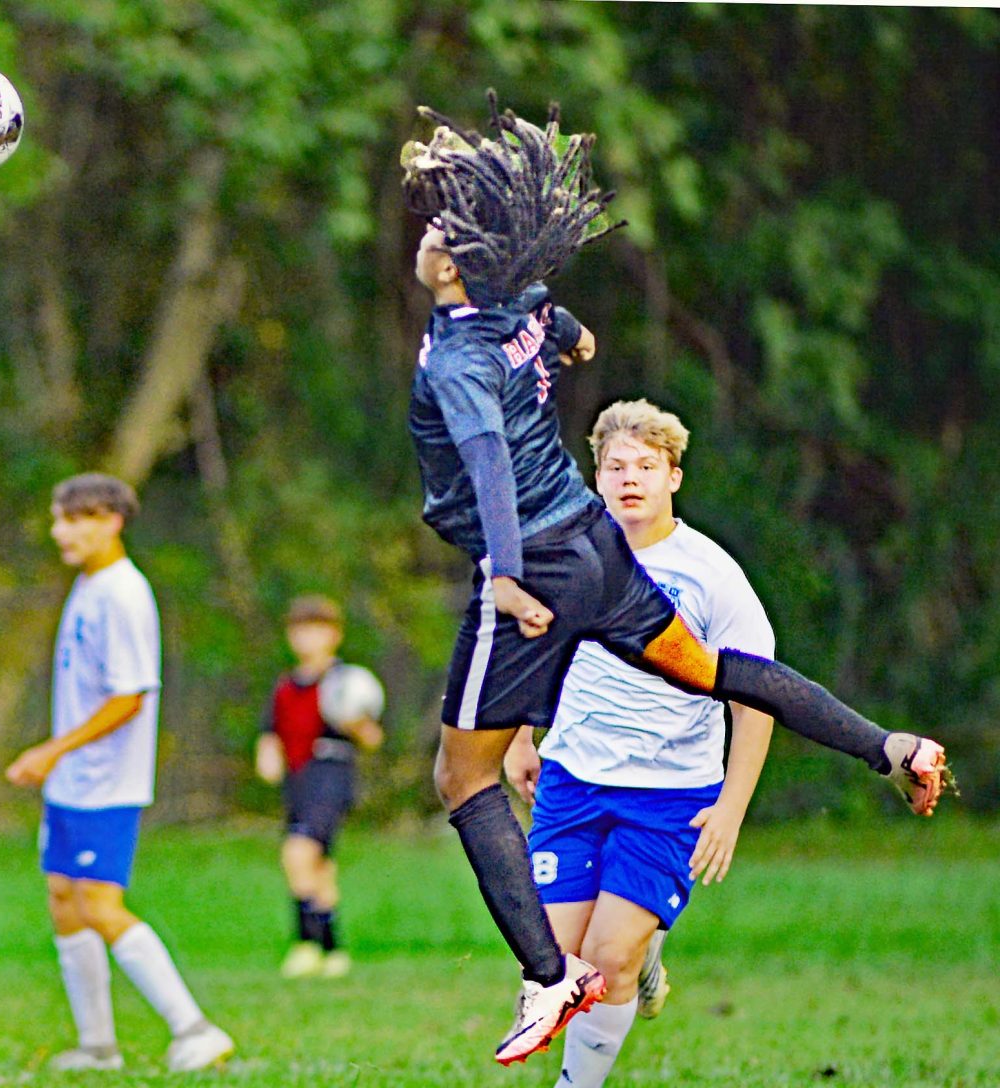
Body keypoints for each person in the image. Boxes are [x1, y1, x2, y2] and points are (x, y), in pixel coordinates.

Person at [400, 93, 948, 1066]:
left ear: (453, 261)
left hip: (535, 558)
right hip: (595, 543)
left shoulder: (457, 358)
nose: (431, 233)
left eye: (442, 227)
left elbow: (487, 466)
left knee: (463, 774)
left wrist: (507, 580)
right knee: (712, 667)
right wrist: (568, 341)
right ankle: (888, 745)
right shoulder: (517, 305)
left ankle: (546, 974)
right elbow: (570, 330)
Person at [503, 398, 774, 1086]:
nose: (630, 479)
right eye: (616, 465)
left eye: (646, 466)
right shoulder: (567, 558)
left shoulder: (712, 574)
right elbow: (525, 648)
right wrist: (516, 739)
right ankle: (643, 952)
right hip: (571, 782)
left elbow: (760, 696)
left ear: (673, 477)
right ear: (596, 477)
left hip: (670, 795)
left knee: (610, 958)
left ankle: (579, 1080)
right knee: (555, 967)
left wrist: (733, 806)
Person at [5, 473, 234, 1073]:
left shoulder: (124, 594)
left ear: (109, 519)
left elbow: (130, 696)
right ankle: (99, 1047)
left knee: (103, 905)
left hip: (105, 781)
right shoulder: (88, 586)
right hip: (73, 782)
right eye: (58, 518)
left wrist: (53, 749)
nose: (61, 531)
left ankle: (196, 1030)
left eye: (73, 518)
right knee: (64, 898)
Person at [255, 595, 384, 979]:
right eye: (299, 630)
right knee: (319, 869)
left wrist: (357, 725)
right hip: (298, 780)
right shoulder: (286, 685)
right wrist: (268, 753)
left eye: (316, 630)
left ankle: (306, 943)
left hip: (331, 775)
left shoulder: (345, 682)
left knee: (297, 854)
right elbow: (270, 730)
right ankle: (333, 951)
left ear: (334, 635)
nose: (306, 638)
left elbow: (372, 736)